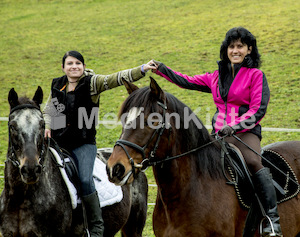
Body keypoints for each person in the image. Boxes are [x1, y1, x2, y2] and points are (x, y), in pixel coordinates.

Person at [147, 27, 282, 237]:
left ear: (249, 49)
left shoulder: (256, 75)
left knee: (254, 162)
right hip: (219, 134)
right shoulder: (216, 76)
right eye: (231, 46)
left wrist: (236, 126)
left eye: (240, 46)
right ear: (226, 49)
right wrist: (162, 69)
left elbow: (258, 110)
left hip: (245, 133)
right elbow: (187, 81)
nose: (235, 50)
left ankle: (271, 220)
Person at [43, 50, 156, 237]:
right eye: (70, 64)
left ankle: (96, 226)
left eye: (78, 63)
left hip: (83, 144)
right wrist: (47, 125)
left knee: (86, 180)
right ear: (63, 67)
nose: (74, 67)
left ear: (84, 67)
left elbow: (117, 78)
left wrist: (142, 69)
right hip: (57, 144)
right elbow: (48, 110)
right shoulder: (57, 84)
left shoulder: (92, 83)